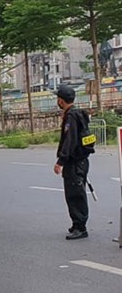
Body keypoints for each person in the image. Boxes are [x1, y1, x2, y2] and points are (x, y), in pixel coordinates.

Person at [53, 85, 95, 240]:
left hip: (74, 162)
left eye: (58, 98)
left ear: (61, 100)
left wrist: (60, 161)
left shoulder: (71, 117)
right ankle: (77, 224)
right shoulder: (79, 114)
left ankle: (80, 227)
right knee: (76, 192)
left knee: (75, 195)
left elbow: (69, 141)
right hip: (81, 161)